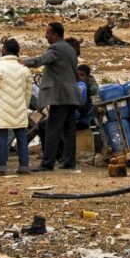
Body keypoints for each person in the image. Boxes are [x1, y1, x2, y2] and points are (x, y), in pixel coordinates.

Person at [23, 21, 80, 170]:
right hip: (71, 95)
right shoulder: (69, 48)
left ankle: (47, 163)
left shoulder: (55, 48)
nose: (46, 35)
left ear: (56, 34)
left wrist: (24, 62)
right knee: (68, 131)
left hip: (60, 97)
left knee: (52, 129)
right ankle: (69, 161)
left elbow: (42, 60)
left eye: (48, 32)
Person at [0, 38, 31, 175]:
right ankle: (24, 166)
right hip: (20, 108)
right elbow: (28, 94)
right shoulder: (24, 69)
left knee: (2, 139)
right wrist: (24, 106)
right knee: (22, 138)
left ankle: (1, 167)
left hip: (2, 110)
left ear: (4, 50)